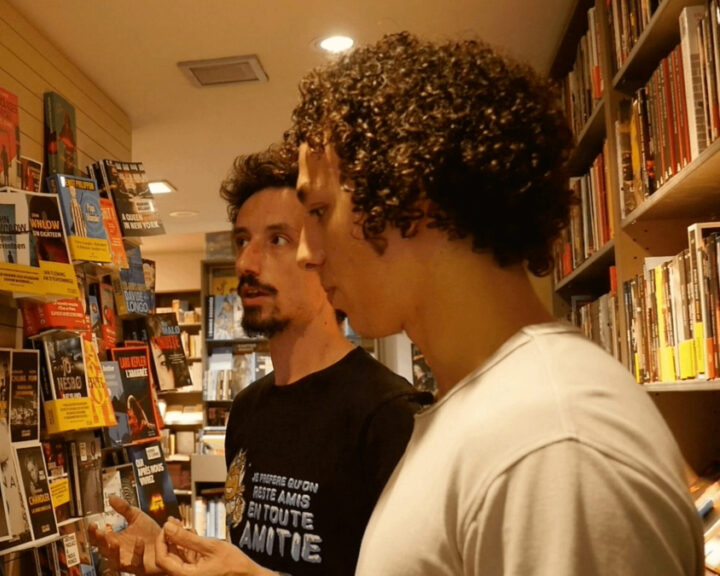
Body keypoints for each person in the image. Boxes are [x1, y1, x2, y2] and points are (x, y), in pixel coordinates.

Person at [160, 31, 703, 576]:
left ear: (408, 195)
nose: (308, 253)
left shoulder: (553, 443)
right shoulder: (490, 414)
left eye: (320, 213)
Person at [92, 146, 429, 575]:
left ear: (323, 255)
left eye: (277, 240)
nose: (246, 263)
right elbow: (256, 558)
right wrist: (175, 556)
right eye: (242, 241)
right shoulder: (249, 410)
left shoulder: (390, 414)